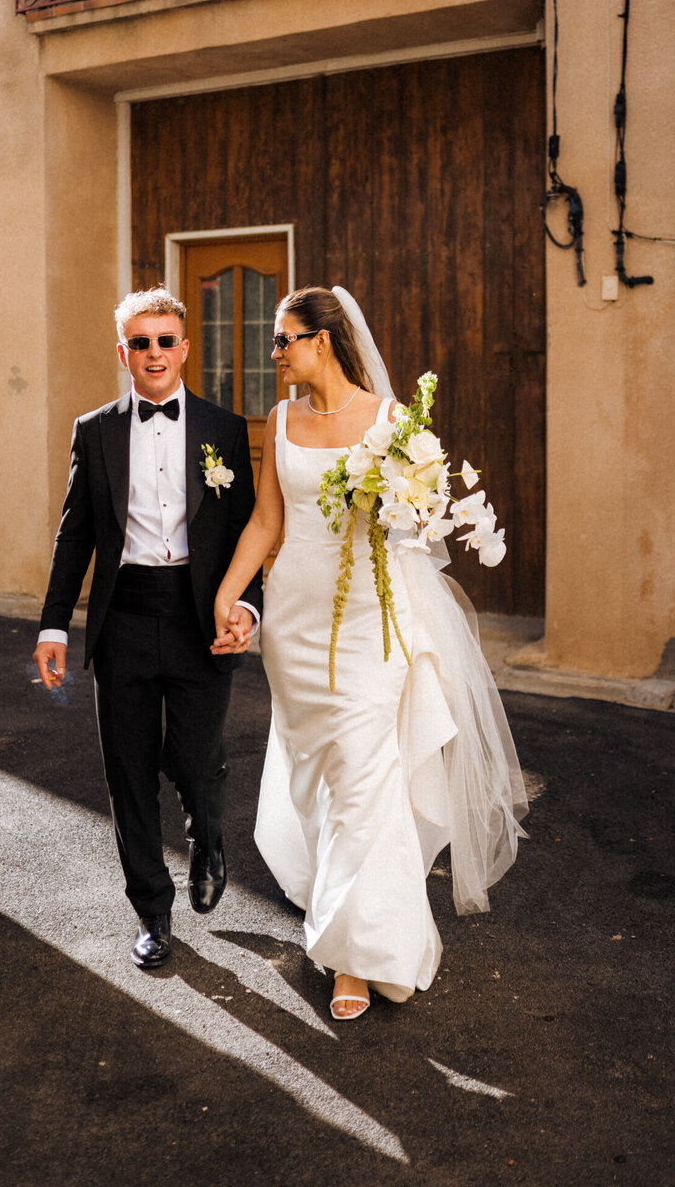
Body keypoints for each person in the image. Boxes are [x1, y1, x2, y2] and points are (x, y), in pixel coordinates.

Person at [213, 286, 528, 1020]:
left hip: (369, 624)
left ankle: (356, 957)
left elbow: (417, 525)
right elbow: (266, 521)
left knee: (366, 778)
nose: (275, 352)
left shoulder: (392, 423)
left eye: (284, 339)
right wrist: (230, 595)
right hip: (295, 622)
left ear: (322, 341)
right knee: (322, 779)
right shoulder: (283, 419)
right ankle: (348, 909)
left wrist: (415, 507)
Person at [33, 287, 262, 970]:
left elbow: (252, 530)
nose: (154, 353)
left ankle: (207, 833)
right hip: (125, 615)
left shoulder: (224, 429)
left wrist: (247, 609)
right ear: (123, 352)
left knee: (194, 757)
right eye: (141, 342)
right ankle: (153, 913)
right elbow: (75, 536)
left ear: (185, 347)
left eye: (166, 340)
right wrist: (53, 626)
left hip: (202, 617)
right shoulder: (94, 430)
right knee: (128, 771)